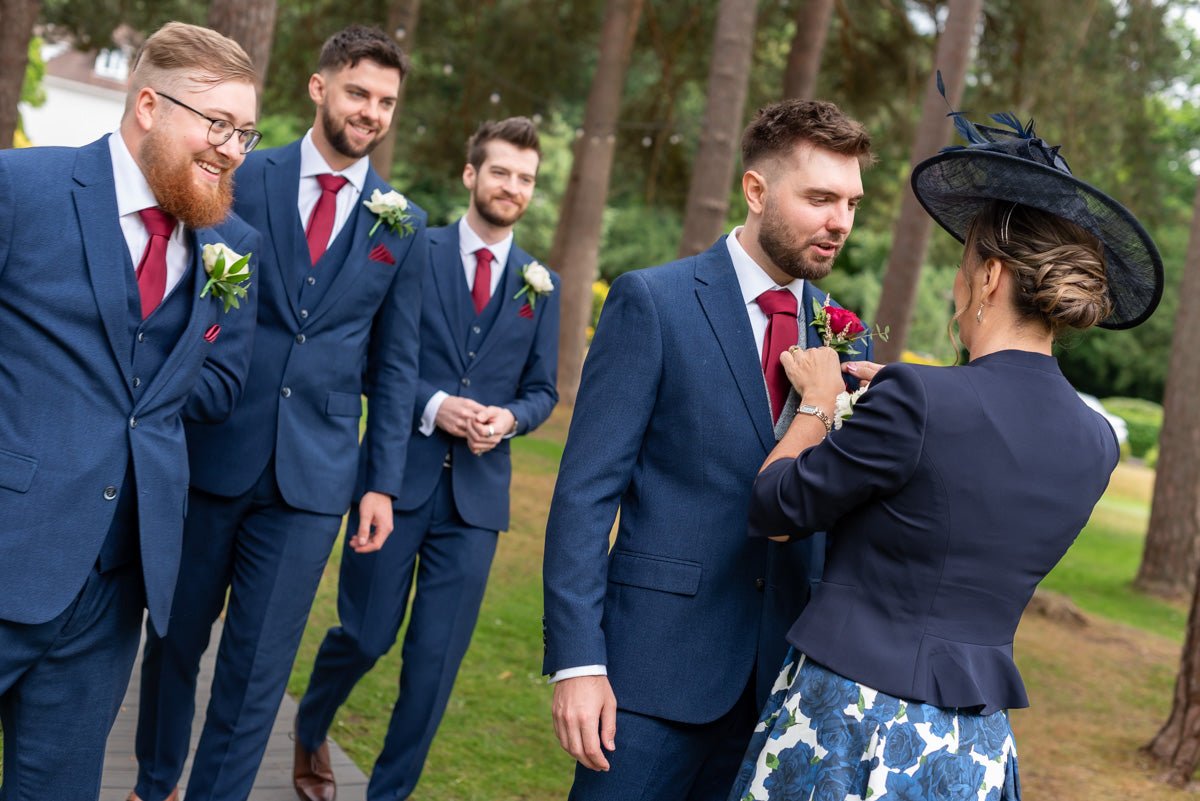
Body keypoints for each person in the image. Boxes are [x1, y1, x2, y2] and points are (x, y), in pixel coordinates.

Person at [729, 113, 1163, 800]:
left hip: (856, 720)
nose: (954, 290)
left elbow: (774, 506)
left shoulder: (919, 398)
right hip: (972, 748)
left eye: (963, 270)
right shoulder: (1098, 442)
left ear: (989, 277)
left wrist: (817, 403)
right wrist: (901, 405)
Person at [542, 99, 874, 800]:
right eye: (819, 198)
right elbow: (584, 494)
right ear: (756, 191)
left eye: (850, 202)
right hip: (649, 673)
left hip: (781, 686)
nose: (840, 221)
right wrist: (577, 662)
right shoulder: (653, 302)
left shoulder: (849, 341)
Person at [129, 25, 426, 801]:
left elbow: (395, 367)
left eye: (386, 101)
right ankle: (154, 780)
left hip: (315, 478)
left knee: (259, 667)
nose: (371, 111)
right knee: (174, 639)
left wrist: (381, 483)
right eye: (358, 91)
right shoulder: (237, 172)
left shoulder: (404, 222)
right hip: (213, 447)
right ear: (319, 87)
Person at [0, 22, 260, 800]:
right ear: (148, 104)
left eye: (245, 132)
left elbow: (211, 388)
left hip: (117, 581)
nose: (231, 149)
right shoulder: (21, 190)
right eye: (217, 125)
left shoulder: (229, 244)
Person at [292, 116, 560, 801]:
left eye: (526, 178)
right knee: (366, 633)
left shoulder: (540, 284)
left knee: (434, 663)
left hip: (476, 503)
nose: (513, 187)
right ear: (472, 175)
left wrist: (510, 417)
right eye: (501, 171)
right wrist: (433, 404)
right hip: (396, 478)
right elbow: (372, 359)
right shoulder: (414, 248)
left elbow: (542, 391)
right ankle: (310, 721)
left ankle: (388, 794)